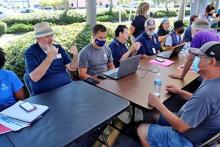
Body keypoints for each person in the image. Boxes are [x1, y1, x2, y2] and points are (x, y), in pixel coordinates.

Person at [137, 41, 220, 147]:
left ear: (212, 61)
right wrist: (179, 91)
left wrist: (158, 104)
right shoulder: (213, 80)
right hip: (199, 127)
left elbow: (181, 126)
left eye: (200, 56)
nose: (195, 59)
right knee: (154, 115)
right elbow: (202, 104)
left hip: (188, 139)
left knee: (141, 129)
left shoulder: (206, 94)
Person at [24, 22, 78, 95]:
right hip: (45, 94)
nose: (51, 39)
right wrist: (50, 57)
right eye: (47, 36)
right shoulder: (31, 53)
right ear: (38, 38)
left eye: (51, 35)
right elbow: (35, 77)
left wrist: (75, 56)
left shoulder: (58, 48)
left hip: (66, 88)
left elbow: (72, 68)